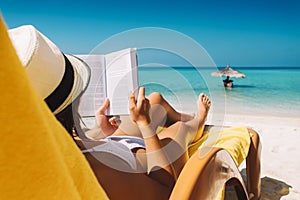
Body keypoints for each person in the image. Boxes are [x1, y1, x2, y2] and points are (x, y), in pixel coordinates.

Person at [9, 24, 261, 200]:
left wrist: (97, 131)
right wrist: (146, 129)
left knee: (155, 100)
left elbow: (73, 143)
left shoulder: (44, 146)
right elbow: (167, 190)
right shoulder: (92, 172)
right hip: (148, 165)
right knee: (178, 130)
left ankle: (177, 118)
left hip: (108, 145)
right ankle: (197, 122)